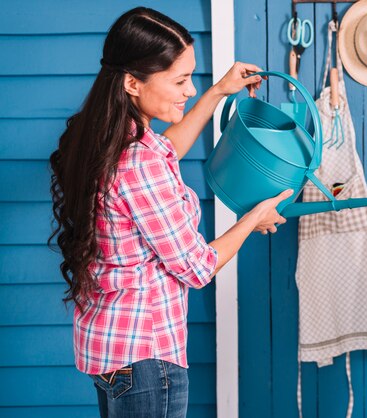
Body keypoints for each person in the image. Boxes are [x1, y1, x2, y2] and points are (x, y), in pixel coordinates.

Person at [48, 7, 291, 418]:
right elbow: (198, 267)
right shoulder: (138, 163)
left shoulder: (110, 140)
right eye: (180, 81)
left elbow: (166, 151)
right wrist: (254, 217)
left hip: (112, 349)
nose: (190, 90)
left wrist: (219, 92)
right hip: (146, 358)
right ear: (132, 83)